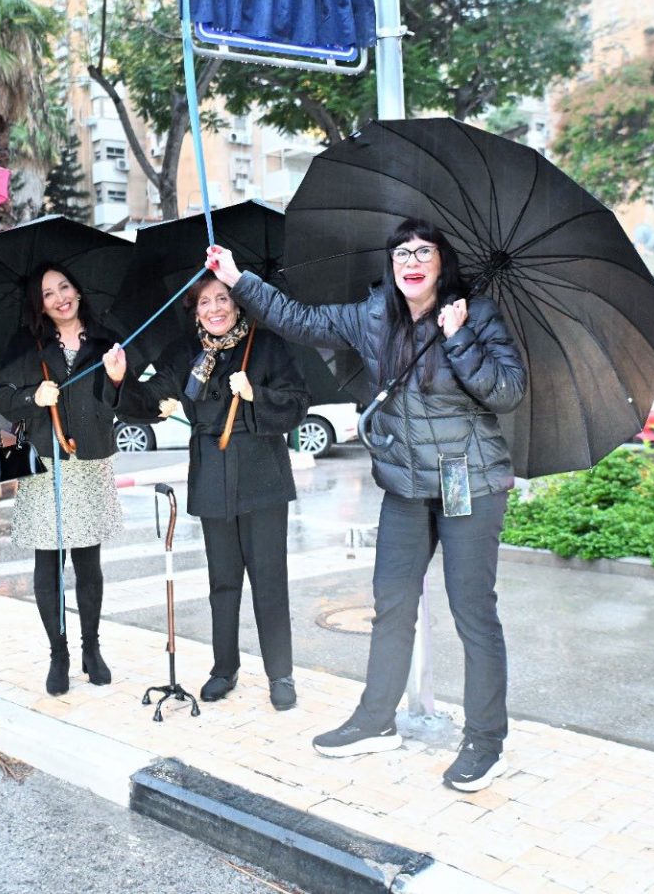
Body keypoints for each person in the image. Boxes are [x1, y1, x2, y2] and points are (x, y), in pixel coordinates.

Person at [205, 218, 527, 792]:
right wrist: (237, 279)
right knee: (391, 605)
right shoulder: (374, 315)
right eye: (402, 252)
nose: (412, 261)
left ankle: (485, 740)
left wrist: (459, 338)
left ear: (442, 261)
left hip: (467, 483)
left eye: (424, 251)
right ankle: (376, 719)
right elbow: (300, 320)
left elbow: (507, 391)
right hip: (405, 486)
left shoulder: (474, 314)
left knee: (473, 611)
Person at [105, 277, 309, 711]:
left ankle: (280, 673)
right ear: (194, 309)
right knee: (223, 581)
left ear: (238, 305)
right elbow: (152, 397)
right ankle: (224, 669)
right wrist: (121, 381)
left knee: (269, 580)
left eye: (223, 299)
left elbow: (297, 403)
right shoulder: (184, 353)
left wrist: (256, 395)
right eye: (204, 302)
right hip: (212, 473)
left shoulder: (265, 345)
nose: (215, 308)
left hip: (262, 473)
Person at [0, 263, 128, 696]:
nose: (59, 298)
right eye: (48, 293)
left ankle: (92, 648)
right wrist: (33, 397)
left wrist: (116, 379)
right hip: (46, 462)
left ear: (78, 290)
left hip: (89, 460)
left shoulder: (106, 340)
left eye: (64, 287)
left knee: (89, 563)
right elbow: (2, 398)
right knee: (49, 565)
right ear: (40, 304)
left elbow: (117, 402)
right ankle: (59, 653)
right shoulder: (26, 344)